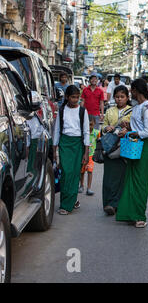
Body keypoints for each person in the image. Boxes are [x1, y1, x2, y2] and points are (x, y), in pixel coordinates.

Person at [116, 78, 148, 228]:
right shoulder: (137, 107)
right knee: (131, 179)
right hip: (134, 145)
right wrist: (129, 126)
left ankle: (140, 216)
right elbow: (137, 126)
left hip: (144, 146)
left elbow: (147, 132)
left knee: (141, 182)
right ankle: (130, 213)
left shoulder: (147, 108)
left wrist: (133, 132)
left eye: (131, 90)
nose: (130, 93)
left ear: (136, 90)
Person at [53, 85, 90, 215]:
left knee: (74, 174)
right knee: (65, 173)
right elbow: (57, 130)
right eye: (73, 97)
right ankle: (68, 200)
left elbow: (86, 132)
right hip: (64, 144)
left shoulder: (82, 111)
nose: (75, 100)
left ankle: (67, 204)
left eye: (77, 97)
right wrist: (54, 150)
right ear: (67, 97)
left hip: (77, 145)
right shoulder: (62, 110)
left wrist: (86, 152)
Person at [101, 85, 132, 216]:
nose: (119, 99)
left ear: (127, 98)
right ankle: (108, 203)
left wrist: (128, 129)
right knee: (108, 176)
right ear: (114, 97)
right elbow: (103, 126)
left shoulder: (132, 111)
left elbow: (135, 127)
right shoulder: (110, 110)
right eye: (117, 97)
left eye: (122, 97)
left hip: (124, 147)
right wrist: (107, 127)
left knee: (121, 176)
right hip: (110, 147)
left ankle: (116, 204)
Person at [79, 116, 100, 196]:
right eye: (87, 124)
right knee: (82, 171)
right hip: (84, 155)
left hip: (91, 156)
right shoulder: (83, 133)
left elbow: (99, 142)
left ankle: (89, 188)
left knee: (90, 171)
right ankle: (81, 185)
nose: (89, 127)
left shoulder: (96, 133)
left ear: (94, 124)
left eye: (91, 124)